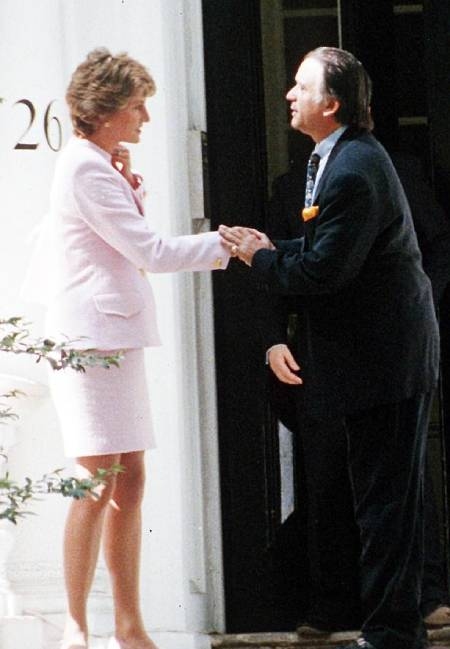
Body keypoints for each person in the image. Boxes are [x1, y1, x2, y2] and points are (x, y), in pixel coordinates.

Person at [219, 47, 440, 649]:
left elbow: (325, 273)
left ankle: (391, 635)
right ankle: (395, 630)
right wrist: (274, 247)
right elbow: (326, 248)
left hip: (385, 363)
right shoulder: (340, 157)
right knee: (381, 503)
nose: (289, 95)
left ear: (332, 104)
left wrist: (261, 259)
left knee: (385, 507)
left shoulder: (352, 170)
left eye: (301, 86)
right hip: (375, 361)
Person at [21, 48, 230, 649]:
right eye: (137, 105)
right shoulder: (85, 169)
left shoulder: (97, 164)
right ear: (107, 109)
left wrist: (129, 183)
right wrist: (226, 244)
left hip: (113, 338)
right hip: (91, 343)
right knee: (96, 481)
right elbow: (150, 253)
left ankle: (129, 625)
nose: (145, 117)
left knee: (129, 478)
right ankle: (77, 627)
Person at [265, 154, 450, 634]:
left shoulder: (393, 171)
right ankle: (332, 607)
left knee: (402, 476)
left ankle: (426, 597)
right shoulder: (290, 187)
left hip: (389, 348)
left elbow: (438, 243)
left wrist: (416, 303)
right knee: (326, 475)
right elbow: (276, 265)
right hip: (322, 351)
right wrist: (274, 338)